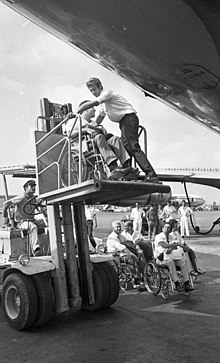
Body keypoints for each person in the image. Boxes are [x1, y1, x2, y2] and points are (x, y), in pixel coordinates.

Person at [77, 77, 159, 183]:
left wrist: (80, 109)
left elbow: (94, 103)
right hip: (124, 122)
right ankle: (128, 170)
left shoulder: (107, 94)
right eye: (91, 91)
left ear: (100, 87)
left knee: (133, 147)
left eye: (94, 89)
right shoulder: (103, 104)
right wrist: (89, 125)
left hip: (128, 119)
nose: (93, 92)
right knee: (125, 146)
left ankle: (151, 175)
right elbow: (99, 119)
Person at [65, 101, 138, 179]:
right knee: (99, 137)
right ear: (85, 110)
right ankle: (113, 167)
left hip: (97, 142)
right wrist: (85, 130)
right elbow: (70, 134)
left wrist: (101, 129)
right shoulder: (74, 120)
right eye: (92, 108)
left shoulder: (93, 123)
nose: (94, 110)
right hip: (82, 145)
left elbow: (103, 133)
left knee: (114, 139)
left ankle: (126, 166)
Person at [2, 179, 46, 256]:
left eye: (34, 186)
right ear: (26, 188)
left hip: (32, 220)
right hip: (22, 222)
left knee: (49, 223)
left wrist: (49, 219)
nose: (34, 188)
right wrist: (5, 216)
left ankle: (49, 247)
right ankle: (36, 249)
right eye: (31, 186)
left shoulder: (34, 199)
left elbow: (43, 209)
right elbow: (6, 204)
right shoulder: (22, 197)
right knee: (33, 227)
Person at [154, 222, 195, 292]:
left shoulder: (171, 237)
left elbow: (175, 246)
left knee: (183, 261)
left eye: (168, 228)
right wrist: (174, 246)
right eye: (165, 227)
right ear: (162, 228)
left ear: (170, 230)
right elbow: (164, 245)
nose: (167, 229)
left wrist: (172, 248)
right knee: (170, 262)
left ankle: (186, 283)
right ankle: (177, 284)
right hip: (161, 259)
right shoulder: (158, 236)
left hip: (172, 256)